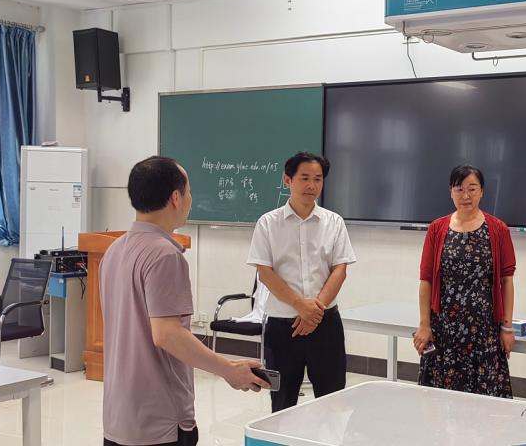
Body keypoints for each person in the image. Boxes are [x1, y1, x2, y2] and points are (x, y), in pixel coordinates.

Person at [101, 156, 267, 446]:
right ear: (176, 198)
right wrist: (228, 370)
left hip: (119, 416)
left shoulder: (113, 250)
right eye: (189, 191)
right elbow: (167, 334)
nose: (191, 199)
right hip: (160, 420)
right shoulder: (165, 254)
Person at [247, 152, 357, 412]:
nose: (311, 185)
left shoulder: (334, 222)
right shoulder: (268, 223)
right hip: (282, 327)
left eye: (317, 179)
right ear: (288, 180)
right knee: (282, 402)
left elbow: (339, 270)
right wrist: (300, 306)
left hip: (326, 324)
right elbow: (265, 272)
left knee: (332, 401)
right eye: (304, 178)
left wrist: (314, 312)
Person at [413, 165, 517, 398]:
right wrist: (424, 324)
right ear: (451, 191)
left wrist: (507, 327)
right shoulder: (437, 229)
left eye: (472, 188)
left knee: (485, 400)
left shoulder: (498, 229)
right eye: (459, 189)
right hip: (444, 329)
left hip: (484, 330)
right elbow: (426, 280)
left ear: (482, 191)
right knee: (441, 400)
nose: (466, 195)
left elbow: (506, 281)